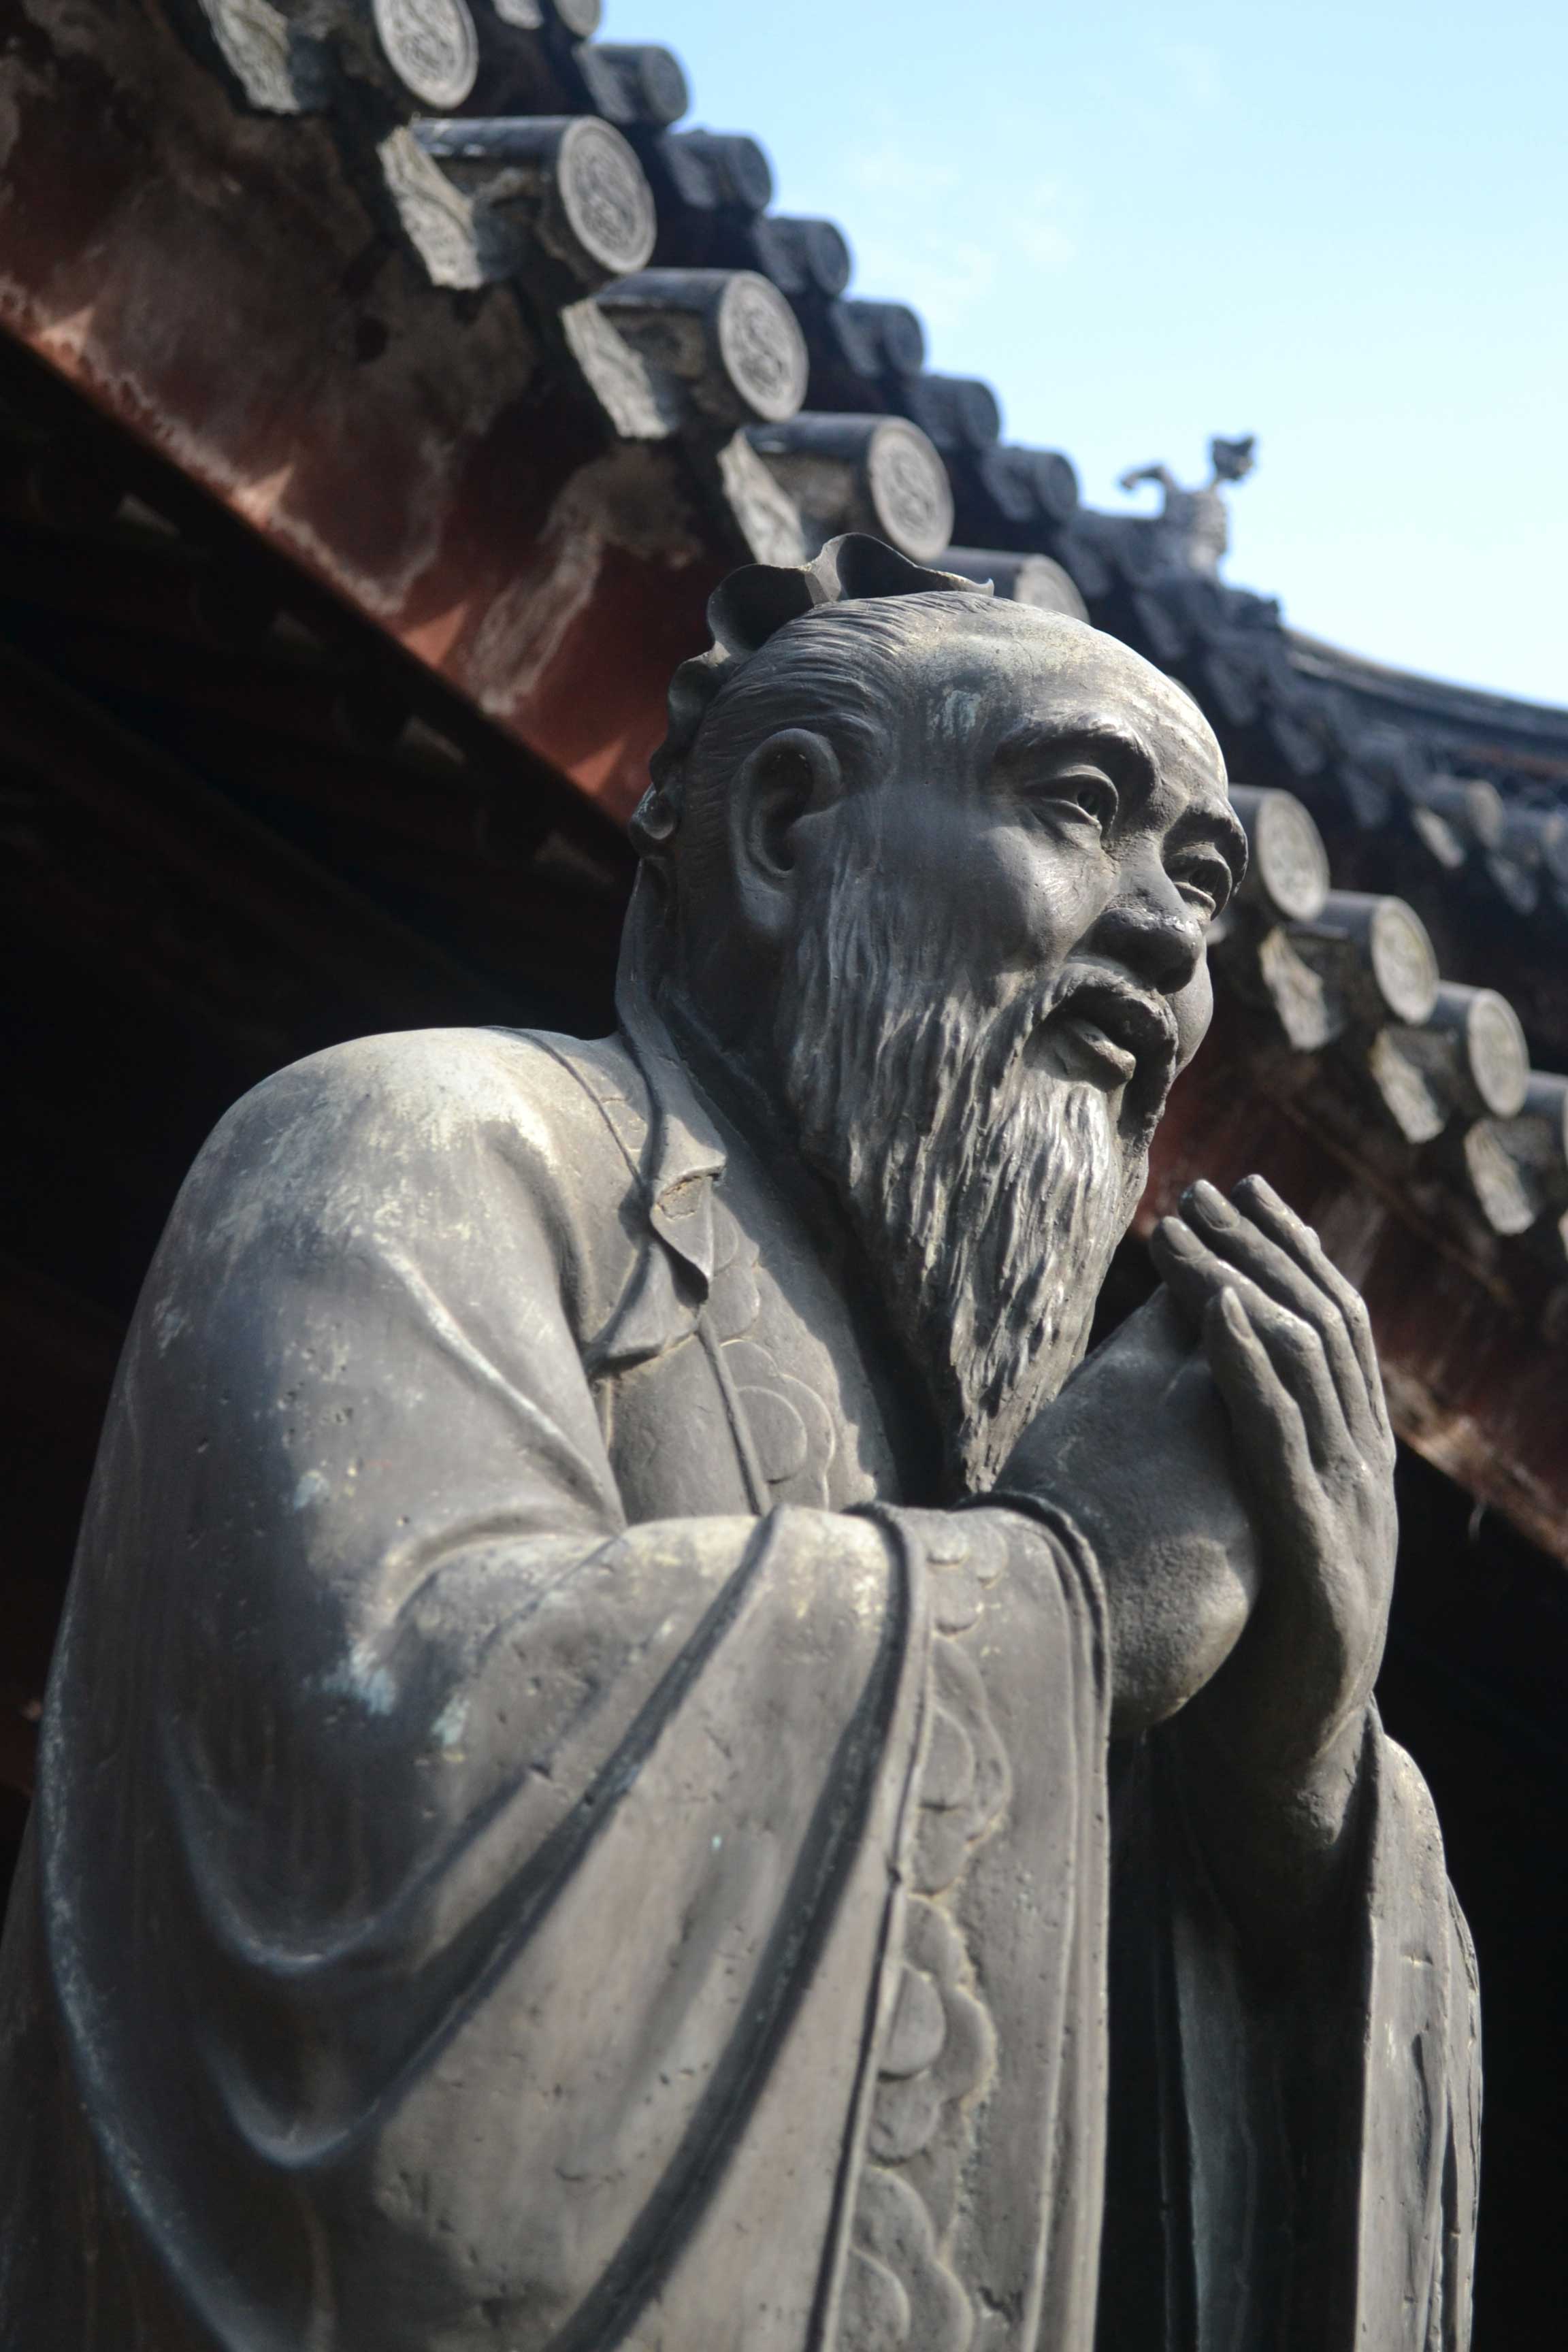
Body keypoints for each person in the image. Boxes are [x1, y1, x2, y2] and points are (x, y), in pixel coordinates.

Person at [0, 536, 1477, 2349]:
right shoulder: (422, 1144)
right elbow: (371, 1785)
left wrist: (1285, 1792)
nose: (1169, 939)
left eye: (1200, 885)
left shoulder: (1002, 1441)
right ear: (786, 829)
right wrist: (1063, 1597)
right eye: (1080, 810)